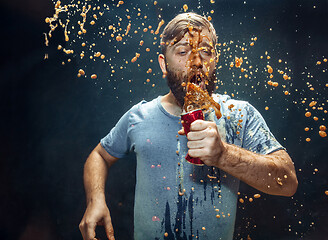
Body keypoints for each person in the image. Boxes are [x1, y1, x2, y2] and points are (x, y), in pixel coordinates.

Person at [79, 12, 298, 240]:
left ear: (215, 59)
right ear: (163, 63)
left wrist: (224, 155)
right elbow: (100, 156)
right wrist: (95, 200)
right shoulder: (139, 116)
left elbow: (288, 182)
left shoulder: (238, 115)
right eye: (183, 51)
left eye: (205, 51)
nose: (196, 62)